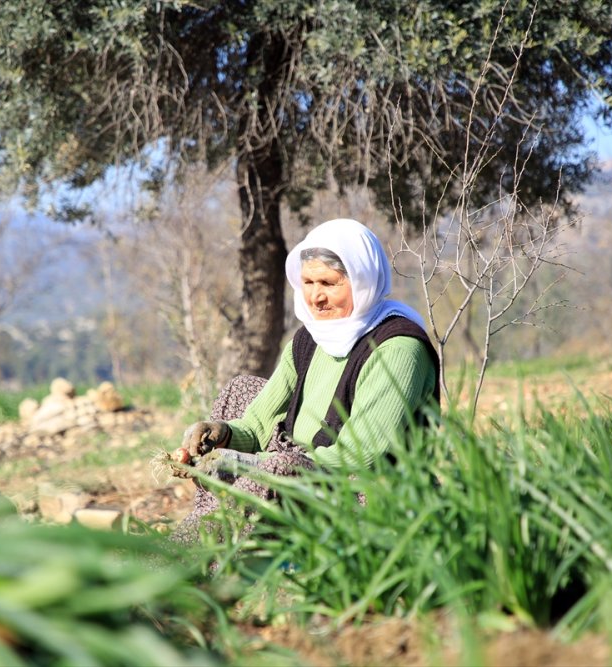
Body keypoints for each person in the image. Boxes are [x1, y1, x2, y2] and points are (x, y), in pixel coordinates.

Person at [170, 218, 439, 540]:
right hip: (307, 465)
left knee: (277, 469)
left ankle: (203, 556)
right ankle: (210, 517)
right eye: (308, 283)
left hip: (366, 492)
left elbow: (359, 455)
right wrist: (221, 436)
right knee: (241, 388)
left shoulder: (398, 349)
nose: (316, 297)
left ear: (364, 280)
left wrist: (250, 464)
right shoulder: (310, 338)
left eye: (329, 283)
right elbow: (256, 425)